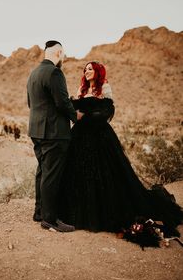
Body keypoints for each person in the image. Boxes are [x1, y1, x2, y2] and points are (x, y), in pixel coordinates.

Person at [59, 61, 183, 247]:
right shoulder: (81, 90)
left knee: (106, 175)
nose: (87, 71)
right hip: (80, 139)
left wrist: (85, 116)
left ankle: (102, 213)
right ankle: (80, 213)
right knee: (80, 174)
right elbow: (73, 111)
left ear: (98, 72)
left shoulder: (104, 88)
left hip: (100, 139)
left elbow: (106, 112)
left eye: (90, 69)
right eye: (85, 70)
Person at [27, 40, 83, 232]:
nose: (64, 58)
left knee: (42, 171)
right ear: (58, 53)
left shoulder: (33, 74)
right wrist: (77, 117)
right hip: (54, 132)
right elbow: (62, 103)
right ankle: (50, 219)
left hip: (36, 131)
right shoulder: (55, 72)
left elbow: (31, 103)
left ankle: (39, 212)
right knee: (51, 175)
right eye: (64, 55)